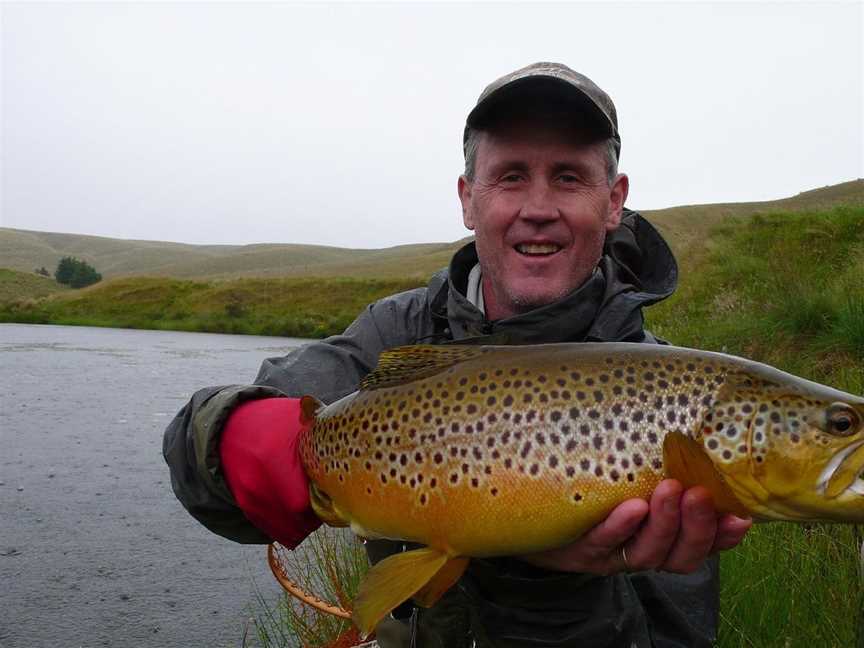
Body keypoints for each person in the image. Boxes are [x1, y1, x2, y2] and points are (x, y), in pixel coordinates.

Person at [163, 62, 752, 648]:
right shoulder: (398, 330)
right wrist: (238, 440)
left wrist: (539, 577)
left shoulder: (672, 401)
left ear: (614, 201)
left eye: (569, 177)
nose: (539, 207)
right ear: (469, 201)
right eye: (512, 176)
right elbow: (196, 460)